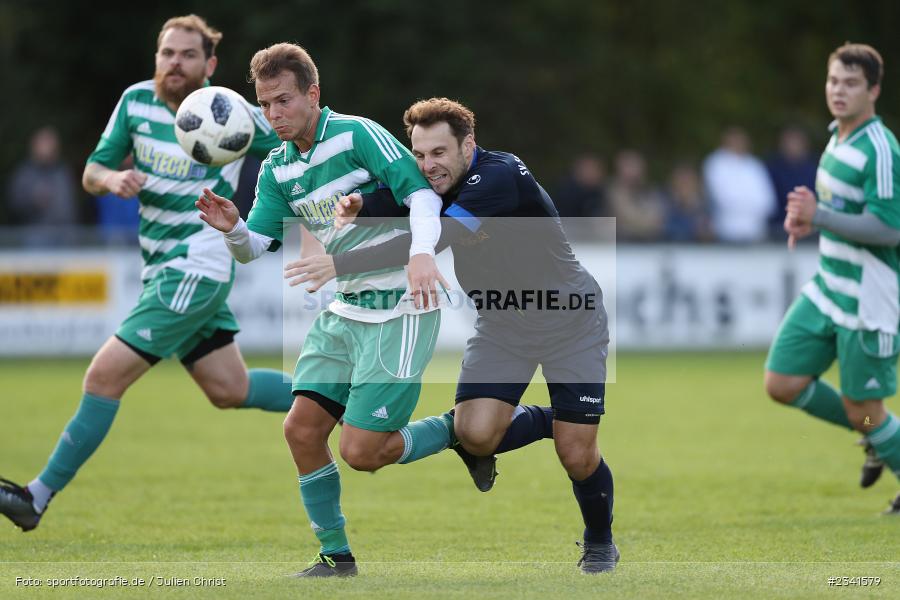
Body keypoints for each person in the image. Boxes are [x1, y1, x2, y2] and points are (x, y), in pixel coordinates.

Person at [0, 15, 293, 533]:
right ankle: (341, 394)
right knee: (230, 388)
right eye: (167, 53)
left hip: (198, 266)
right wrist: (112, 179)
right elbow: (92, 170)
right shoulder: (135, 101)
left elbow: (299, 138)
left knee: (103, 377)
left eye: (187, 55)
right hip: (162, 269)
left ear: (209, 63)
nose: (174, 63)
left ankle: (35, 497)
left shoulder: (234, 113)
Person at [196, 44, 470, 579]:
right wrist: (233, 229)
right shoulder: (277, 167)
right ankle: (335, 557)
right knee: (300, 430)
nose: (274, 114)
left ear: (313, 94)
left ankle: (457, 431)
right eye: (265, 104)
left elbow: (421, 195)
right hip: (344, 312)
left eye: (283, 101)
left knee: (362, 452)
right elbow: (256, 247)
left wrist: (420, 254)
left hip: (401, 309)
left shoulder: (357, 134)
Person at [314, 98, 617, 574]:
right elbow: (400, 199)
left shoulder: (499, 177)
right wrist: (361, 204)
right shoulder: (434, 182)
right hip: (502, 324)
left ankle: (600, 542)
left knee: (576, 455)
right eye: (419, 155)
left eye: (439, 152)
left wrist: (340, 263)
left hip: (569, 320)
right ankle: (560, 418)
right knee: (474, 435)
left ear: (468, 145)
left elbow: (434, 237)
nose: (428, 165)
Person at [766, 43, 900, 515]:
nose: (839, 91)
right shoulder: (838, 137)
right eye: (833, 81)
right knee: (782, 382)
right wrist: (808, 221)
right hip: (828, 288)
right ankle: (876, 434)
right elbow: (842, 213)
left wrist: (819, 216)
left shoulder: (879, 149)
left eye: (851, 84)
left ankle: (879, 434)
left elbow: (890, 228)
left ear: (874, 91)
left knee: (865, 409)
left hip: (867, 297)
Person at [6, 126, 78, 247]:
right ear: (34, 146)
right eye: (44, 144)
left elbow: (71, 204)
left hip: (65, 236)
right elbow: (14, 204)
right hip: (35, 236)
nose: (48, 148)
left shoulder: (63, 172)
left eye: (51, 144)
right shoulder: (24, 174)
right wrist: (33, 201)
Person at [703, 126, 776, 243]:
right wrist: (750, 205)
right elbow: (724, 200)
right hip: (725, 232)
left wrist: (744, 206)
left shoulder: (754, 165)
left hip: (756, 233)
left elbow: (768, 203)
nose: (738, 142)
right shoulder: (715, 163)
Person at [766, 126, 818, 240]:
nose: (793, 146)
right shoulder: (772, 168)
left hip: (810, 228)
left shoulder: (813, 169)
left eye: (797, 142)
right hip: (777, 227)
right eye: (790, 142)